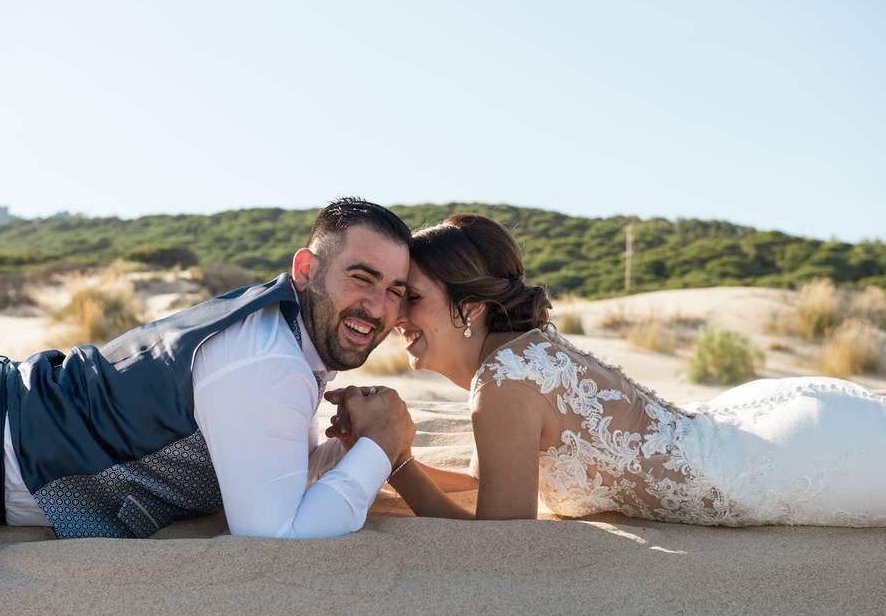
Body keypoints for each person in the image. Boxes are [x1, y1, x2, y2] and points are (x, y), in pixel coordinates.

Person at [327, 213, 886, 526]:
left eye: (412, 297)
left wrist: (396, 462)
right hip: (755, 432)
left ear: (468, 307)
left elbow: (499, 536)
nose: (396, 314)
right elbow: (486, 482)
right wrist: (379, 458)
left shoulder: (504, 383)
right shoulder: (517, 356)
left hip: (779, 464)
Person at [0, 197, 416, 539]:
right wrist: (379, 445)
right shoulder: (268, 360)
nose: (376, 307)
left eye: (394, 290)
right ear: (307, 271)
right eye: (361, 278)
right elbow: (278, 534)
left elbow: (260, 465)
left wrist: (348, 451)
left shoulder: (283, 332)